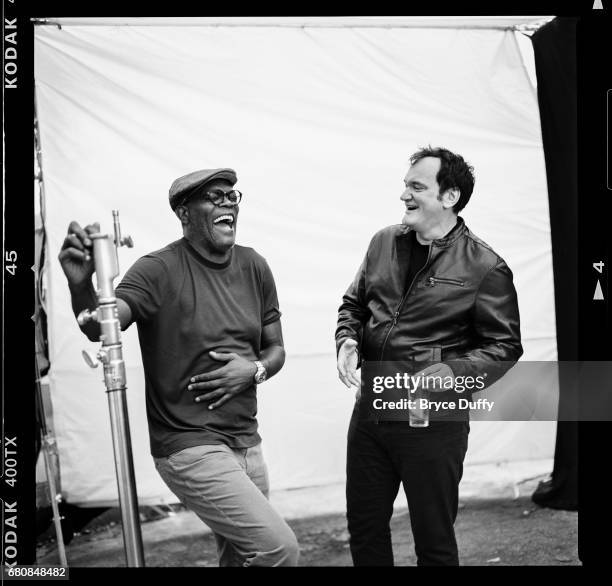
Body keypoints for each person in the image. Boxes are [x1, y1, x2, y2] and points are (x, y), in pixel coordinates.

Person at [58, 168, 299, 567]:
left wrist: (252, 370)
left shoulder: (255, 266)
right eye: (214, 196)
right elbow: (100, 328)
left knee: (242, 558)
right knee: (278, 549)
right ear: (184, 213)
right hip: (189, 446)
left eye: (231, 196)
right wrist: (80, 287)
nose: (227, 203)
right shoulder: (157, 270)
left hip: (246, 443)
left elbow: (275, 350)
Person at [335, 147, 523, 566]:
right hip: (372, 411)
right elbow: (354, 305)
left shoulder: (485, 266)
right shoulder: (383, 241)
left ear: (449, 196)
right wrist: (347, 340)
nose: (404, 194)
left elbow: (505, 347)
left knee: (433, 541)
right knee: (364, 530)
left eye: (416, 186)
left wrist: (454, 372)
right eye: (405, 184)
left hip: (432, 419)